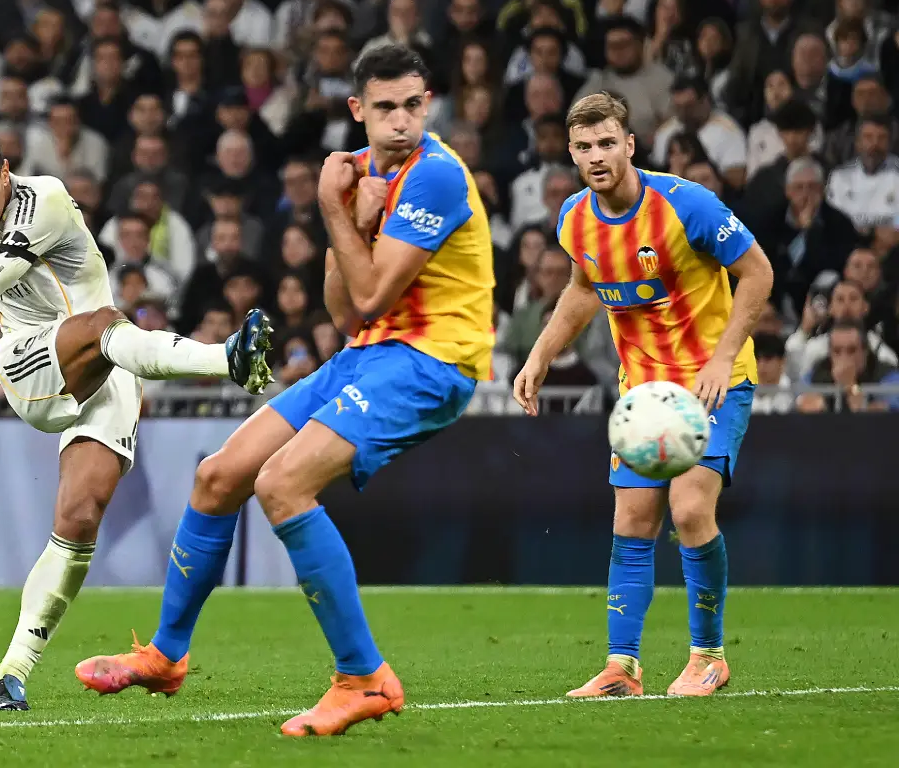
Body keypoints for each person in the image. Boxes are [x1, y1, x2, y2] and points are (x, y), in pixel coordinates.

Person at [73, 45, 495, 737]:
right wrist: (351, 216)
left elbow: (371, 294)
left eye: (413, 105)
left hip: (432, 361)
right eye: (385, 107)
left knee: (282, 484)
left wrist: (333, 208)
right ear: (357, 109)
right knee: (219, 477)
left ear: (428, 105)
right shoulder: (362, 173)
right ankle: (166, 656)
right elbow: (347, 313)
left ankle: (364, 678)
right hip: (367, 354)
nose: (401, 121)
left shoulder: (437, 175)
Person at [0, 124, 273, 711]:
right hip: (27, 364)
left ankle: (10, 674)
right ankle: (227, 360)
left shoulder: (48, 201)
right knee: (104, 323)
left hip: (109, 367)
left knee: (79, 518)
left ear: (6, 172)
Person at [513, 92, 774, 698]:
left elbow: (757, 271)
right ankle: (622, 667)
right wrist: (540, 354)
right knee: (631, 520)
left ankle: (708, 656)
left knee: (689, 510)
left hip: (712, 382)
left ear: (629, 145)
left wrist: (722, 357)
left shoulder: (686, 205)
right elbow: (585, 287)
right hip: (645, 393)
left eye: (608, 143)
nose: (597, 156)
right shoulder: (574, 217)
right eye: (584, 146)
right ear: (571, 153)